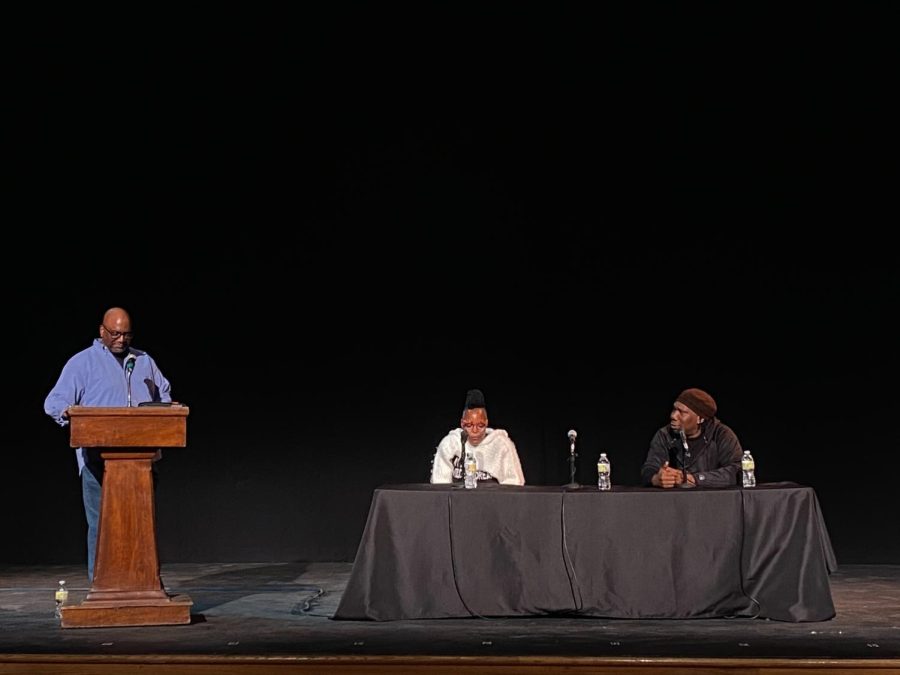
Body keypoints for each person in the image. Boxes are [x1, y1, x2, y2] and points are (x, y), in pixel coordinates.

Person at [44, 307, 172, 581]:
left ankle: (145, 583)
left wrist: (167, 410)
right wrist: (68, 413)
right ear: (101, 331)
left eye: (126, 334)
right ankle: (101, 585)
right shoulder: (82, 363)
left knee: (141, 526)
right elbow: (53, 402)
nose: (121, 340)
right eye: (115, 333)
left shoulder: (144, 361)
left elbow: (164, 395)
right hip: (97, 461)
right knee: (103, 526)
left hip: (142, 460)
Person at [641, 387, 742, 488]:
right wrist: (656, 479)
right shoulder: (665, 435)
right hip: (675, 500)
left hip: (714, 500)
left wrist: (696, 479)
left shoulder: (721, 434)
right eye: (674, 409)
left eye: (682, 412)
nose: (673, 415)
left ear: (700, 419)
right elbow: (649, 468)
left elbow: (737, 470)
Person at [430, 388, 525, 485]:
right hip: (457, 499)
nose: (475, 431)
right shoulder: (450, 444)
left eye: (480, 425)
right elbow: (439, 484)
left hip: (493, 499)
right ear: (462, 424)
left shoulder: (502, 445)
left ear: (487, 423)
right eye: (469, 425)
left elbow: (515, 484)